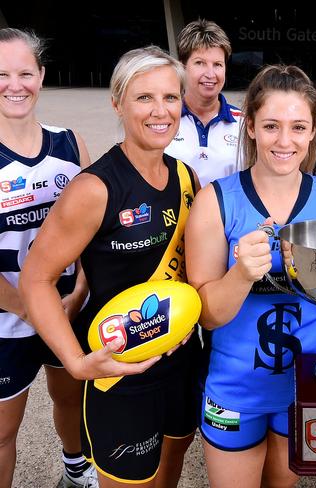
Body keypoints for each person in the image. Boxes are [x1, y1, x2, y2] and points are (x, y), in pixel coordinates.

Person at [18, 45, 201, 487]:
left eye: (171, 97)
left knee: (171, 463)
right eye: (144, 98)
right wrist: (77, 363)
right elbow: (36, 279)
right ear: (117, 102)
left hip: (181, 361)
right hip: (118, 372)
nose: (161, 111)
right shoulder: (94, 188)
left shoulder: (186, 177)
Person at [185, 64, 316, 488]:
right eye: (271, 126)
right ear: (251, 128)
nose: (284, 141)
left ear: (315, 130)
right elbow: (205, 316)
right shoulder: (215, 202)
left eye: (298, 126)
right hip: (233, 389)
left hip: (304, 385)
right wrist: (241, 275)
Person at [0, 28, 96, 488]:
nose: (14, 84)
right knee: (2, 431)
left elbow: (95, 228)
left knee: (69, 399)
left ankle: (76, 470)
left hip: (67, 305)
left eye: (24, 72)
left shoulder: (69, 144)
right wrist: (27, 307)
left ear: (40, 75)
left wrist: (80, 290)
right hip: (8, 315)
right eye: (1, 74)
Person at [165, 18, 242, 186]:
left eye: (217, 64)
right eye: (200, 63)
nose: (210, 73)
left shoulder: (245, 123)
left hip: (228, 212)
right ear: (182, 66)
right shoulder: (163, 118)